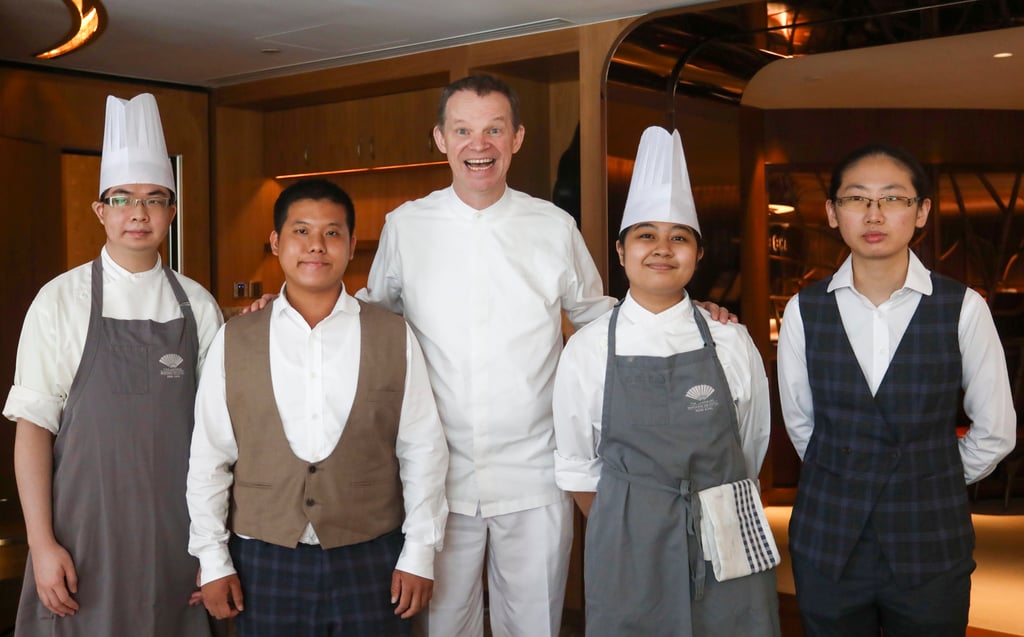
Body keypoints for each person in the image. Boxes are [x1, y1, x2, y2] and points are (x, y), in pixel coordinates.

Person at [186, 178, 449, 636]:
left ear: (350, 245)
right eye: (301, 231)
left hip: (372, 555)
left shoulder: (392, 334)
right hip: (262, 559)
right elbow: (210, 457)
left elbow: (422, 450)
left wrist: (420, 552)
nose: (316, 246)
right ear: (276, 243)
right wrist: (212, 559)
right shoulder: (235, 338)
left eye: (332, 233)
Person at [3, 93, 223, 636]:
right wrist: (41, 542)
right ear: (100, 210)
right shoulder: (59, 300)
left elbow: (221, 436)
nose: (139, 213)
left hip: (179, 538)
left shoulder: (198, 304)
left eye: (154, 199)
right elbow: (33, 430)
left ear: (172, 211)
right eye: (122, 199)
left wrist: (215, 550)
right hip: (81, 541)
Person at [777, 143, 1017, 636]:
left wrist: (931, 475)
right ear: (831, 212)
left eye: (893, 199)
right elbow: (802, 424)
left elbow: (996, 430)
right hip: (829, 538)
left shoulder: (963, 307)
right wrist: (852, 471)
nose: (874, 214)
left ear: (921, 211)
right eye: (856, 199)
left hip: (930, 535)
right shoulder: (805, 308)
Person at [552, 126, 780, 637]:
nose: (662, 249)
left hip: (727, 522)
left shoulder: (731, 340)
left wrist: (707, 500)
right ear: (620, 250)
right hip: (629, 535)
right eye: (646, 235)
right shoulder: (588, 348)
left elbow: (752, 444)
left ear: (698, 254)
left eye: (679, 237)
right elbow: (576, 464)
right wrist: (633, 512)